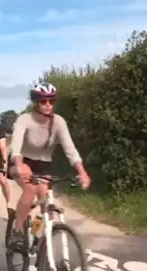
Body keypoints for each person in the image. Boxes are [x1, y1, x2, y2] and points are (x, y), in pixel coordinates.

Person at [8, 82, 91, 243]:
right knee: (30, 190)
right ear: (36, 102)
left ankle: (35, 235)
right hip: (22, 161)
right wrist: (19, 165)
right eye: (43, 101)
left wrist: (82, 172)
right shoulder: (25, 119)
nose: (47, 105)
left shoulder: (59, 122)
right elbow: (16, 146)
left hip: (44, 164)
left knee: (45, 201)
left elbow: (70, 149)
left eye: (51, 101)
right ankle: (17, 230)